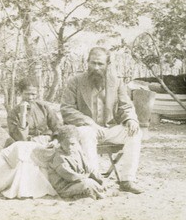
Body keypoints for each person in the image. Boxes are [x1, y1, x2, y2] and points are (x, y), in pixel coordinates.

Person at [61, 47, 143, 194]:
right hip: (86, 129)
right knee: (86, 133)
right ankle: (95, 179)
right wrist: (89, 122)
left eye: (100, 64)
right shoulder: (75, 82)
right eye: (93, 63)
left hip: (109, 129)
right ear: (87, 62)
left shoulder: (116, 82)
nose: (96, 67)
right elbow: (66, 109)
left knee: (134, 132)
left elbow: (126, 106)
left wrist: (131, 119)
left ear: (107, 64)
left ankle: (127, 180)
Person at [0, 78, 61, 199]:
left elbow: (57, 126)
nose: (31, 97)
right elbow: (19, 138)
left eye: (33, 94)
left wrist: (55, 139)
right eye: (27, 94)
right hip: (25, 142)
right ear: (20, 93)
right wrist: (23, 115)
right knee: (23, 150)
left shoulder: (44, 107)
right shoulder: (14, 112)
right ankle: (25, 189)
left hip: (46, 141)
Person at [48, 125, 105, 200]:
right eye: (66, 144)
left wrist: (97, 178)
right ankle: (95, 195)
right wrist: (87, 177)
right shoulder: (59, 157)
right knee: (87, 184)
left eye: (72, 144)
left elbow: (88, 168)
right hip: (66, 187)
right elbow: (70, 176)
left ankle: (93, 192)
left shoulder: (77, 151)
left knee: (96, 179)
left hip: (79, 181)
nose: (70, 147)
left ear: (77, 142)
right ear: (60, 143)